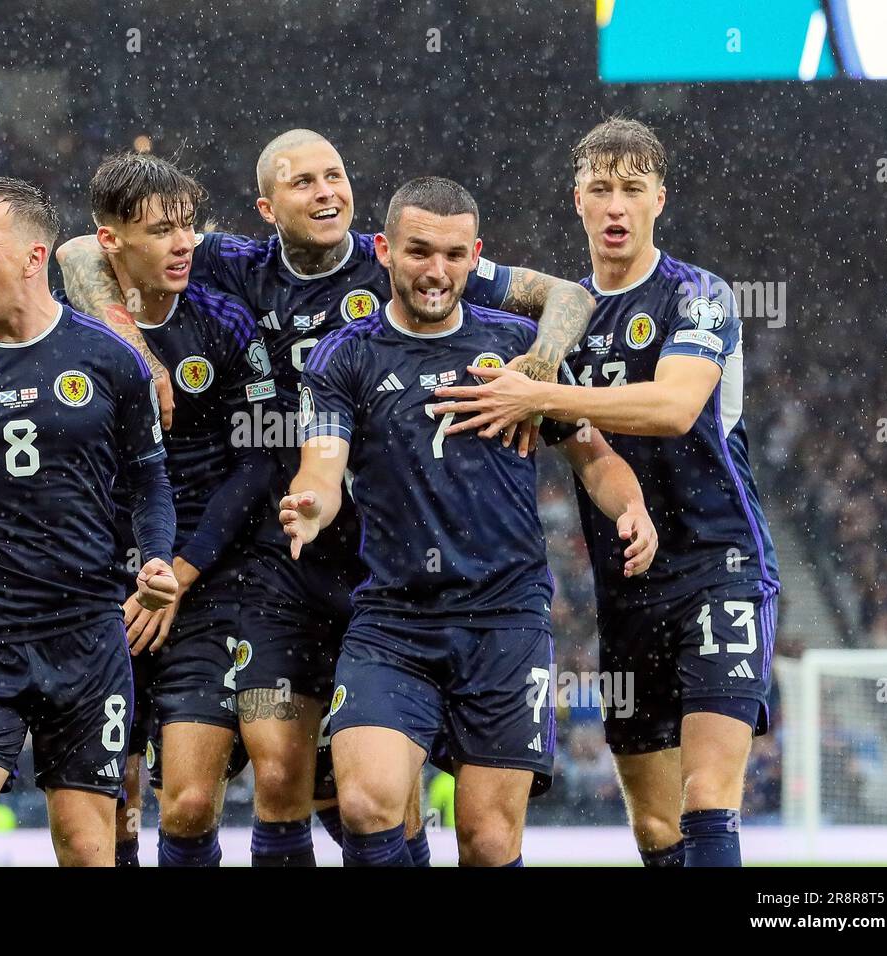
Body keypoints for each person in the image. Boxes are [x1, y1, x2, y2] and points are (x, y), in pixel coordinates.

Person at [56, 129, 597, 867]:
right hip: (288, 563)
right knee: (293, 781)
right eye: (302, 181)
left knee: (377, 806)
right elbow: (81, 253)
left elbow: (563, 293)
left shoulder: (404, 262)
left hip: (389, 564)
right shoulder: (234, 264)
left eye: (334, 175)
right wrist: (133, 346)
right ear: (265, 208)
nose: (325, 192)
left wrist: (544, 360)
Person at [431, 117, 781, 866]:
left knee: (708, 805)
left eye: (631, 189)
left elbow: (674, 406)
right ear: (578, 203)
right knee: (656, 831)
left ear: (660, 198)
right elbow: (454, 267)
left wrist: (546, 396)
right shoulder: (563, 320)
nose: (615, 206)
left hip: (721, 568)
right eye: (600, 190)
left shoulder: (700, 295)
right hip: (628, 585)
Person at [281, 176, 657, 866]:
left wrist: (631, 509)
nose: (436, 271)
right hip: (393, 620)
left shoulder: (519, 348)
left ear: (475, 254)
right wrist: (309, 505)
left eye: (454, 255)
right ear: (385, 250)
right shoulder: (347, 355)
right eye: (419, 251)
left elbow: (594, 458)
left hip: (505, 621)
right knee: (366, 804)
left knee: (487, 839)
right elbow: (322, 468)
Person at [0, 178, 177, 867]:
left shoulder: (109, 360)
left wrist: (157, 557)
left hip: (85, 640)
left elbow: (149, 479)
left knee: (85, 846)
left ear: (31, 256)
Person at [70, 151, 277, 866]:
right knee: (112, 808)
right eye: (161, 231)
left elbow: (257, 464)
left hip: (205, 584)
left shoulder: (225, 321)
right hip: (100, 592)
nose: (183, 244)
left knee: (188, 802)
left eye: (188, 227)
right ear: (111, 241)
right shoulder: (69, 328)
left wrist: (180, 573)